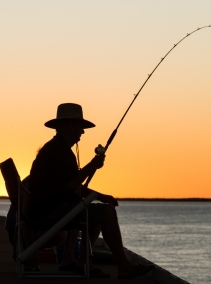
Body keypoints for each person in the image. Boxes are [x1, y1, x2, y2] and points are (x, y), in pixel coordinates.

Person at [28, 103, 154, 279]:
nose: (82, 132)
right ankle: (123, 266)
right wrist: (93, 165)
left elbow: (71, 185)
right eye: (80, 127)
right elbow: (71, 184)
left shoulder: (56, 148)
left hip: (46, 210)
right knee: (106, 213)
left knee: (91, 209)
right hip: (49, 213)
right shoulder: (59, 151)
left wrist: (100, 196)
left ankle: (80, 262)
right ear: (68, 125)